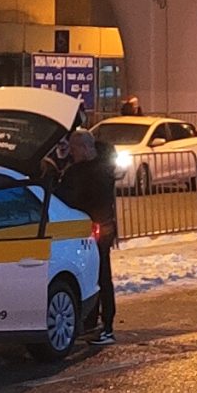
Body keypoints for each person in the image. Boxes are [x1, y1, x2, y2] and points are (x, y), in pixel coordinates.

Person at [56, 117, 121, 340]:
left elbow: (68, 197)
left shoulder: (86, 173)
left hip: (95, 230)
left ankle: (106, 326)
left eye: (73, 149)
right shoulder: (102, 166)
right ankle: (96, 322)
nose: (71, 153)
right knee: (96, 275)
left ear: (84, 148)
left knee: (99, 276)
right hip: (102, 228)